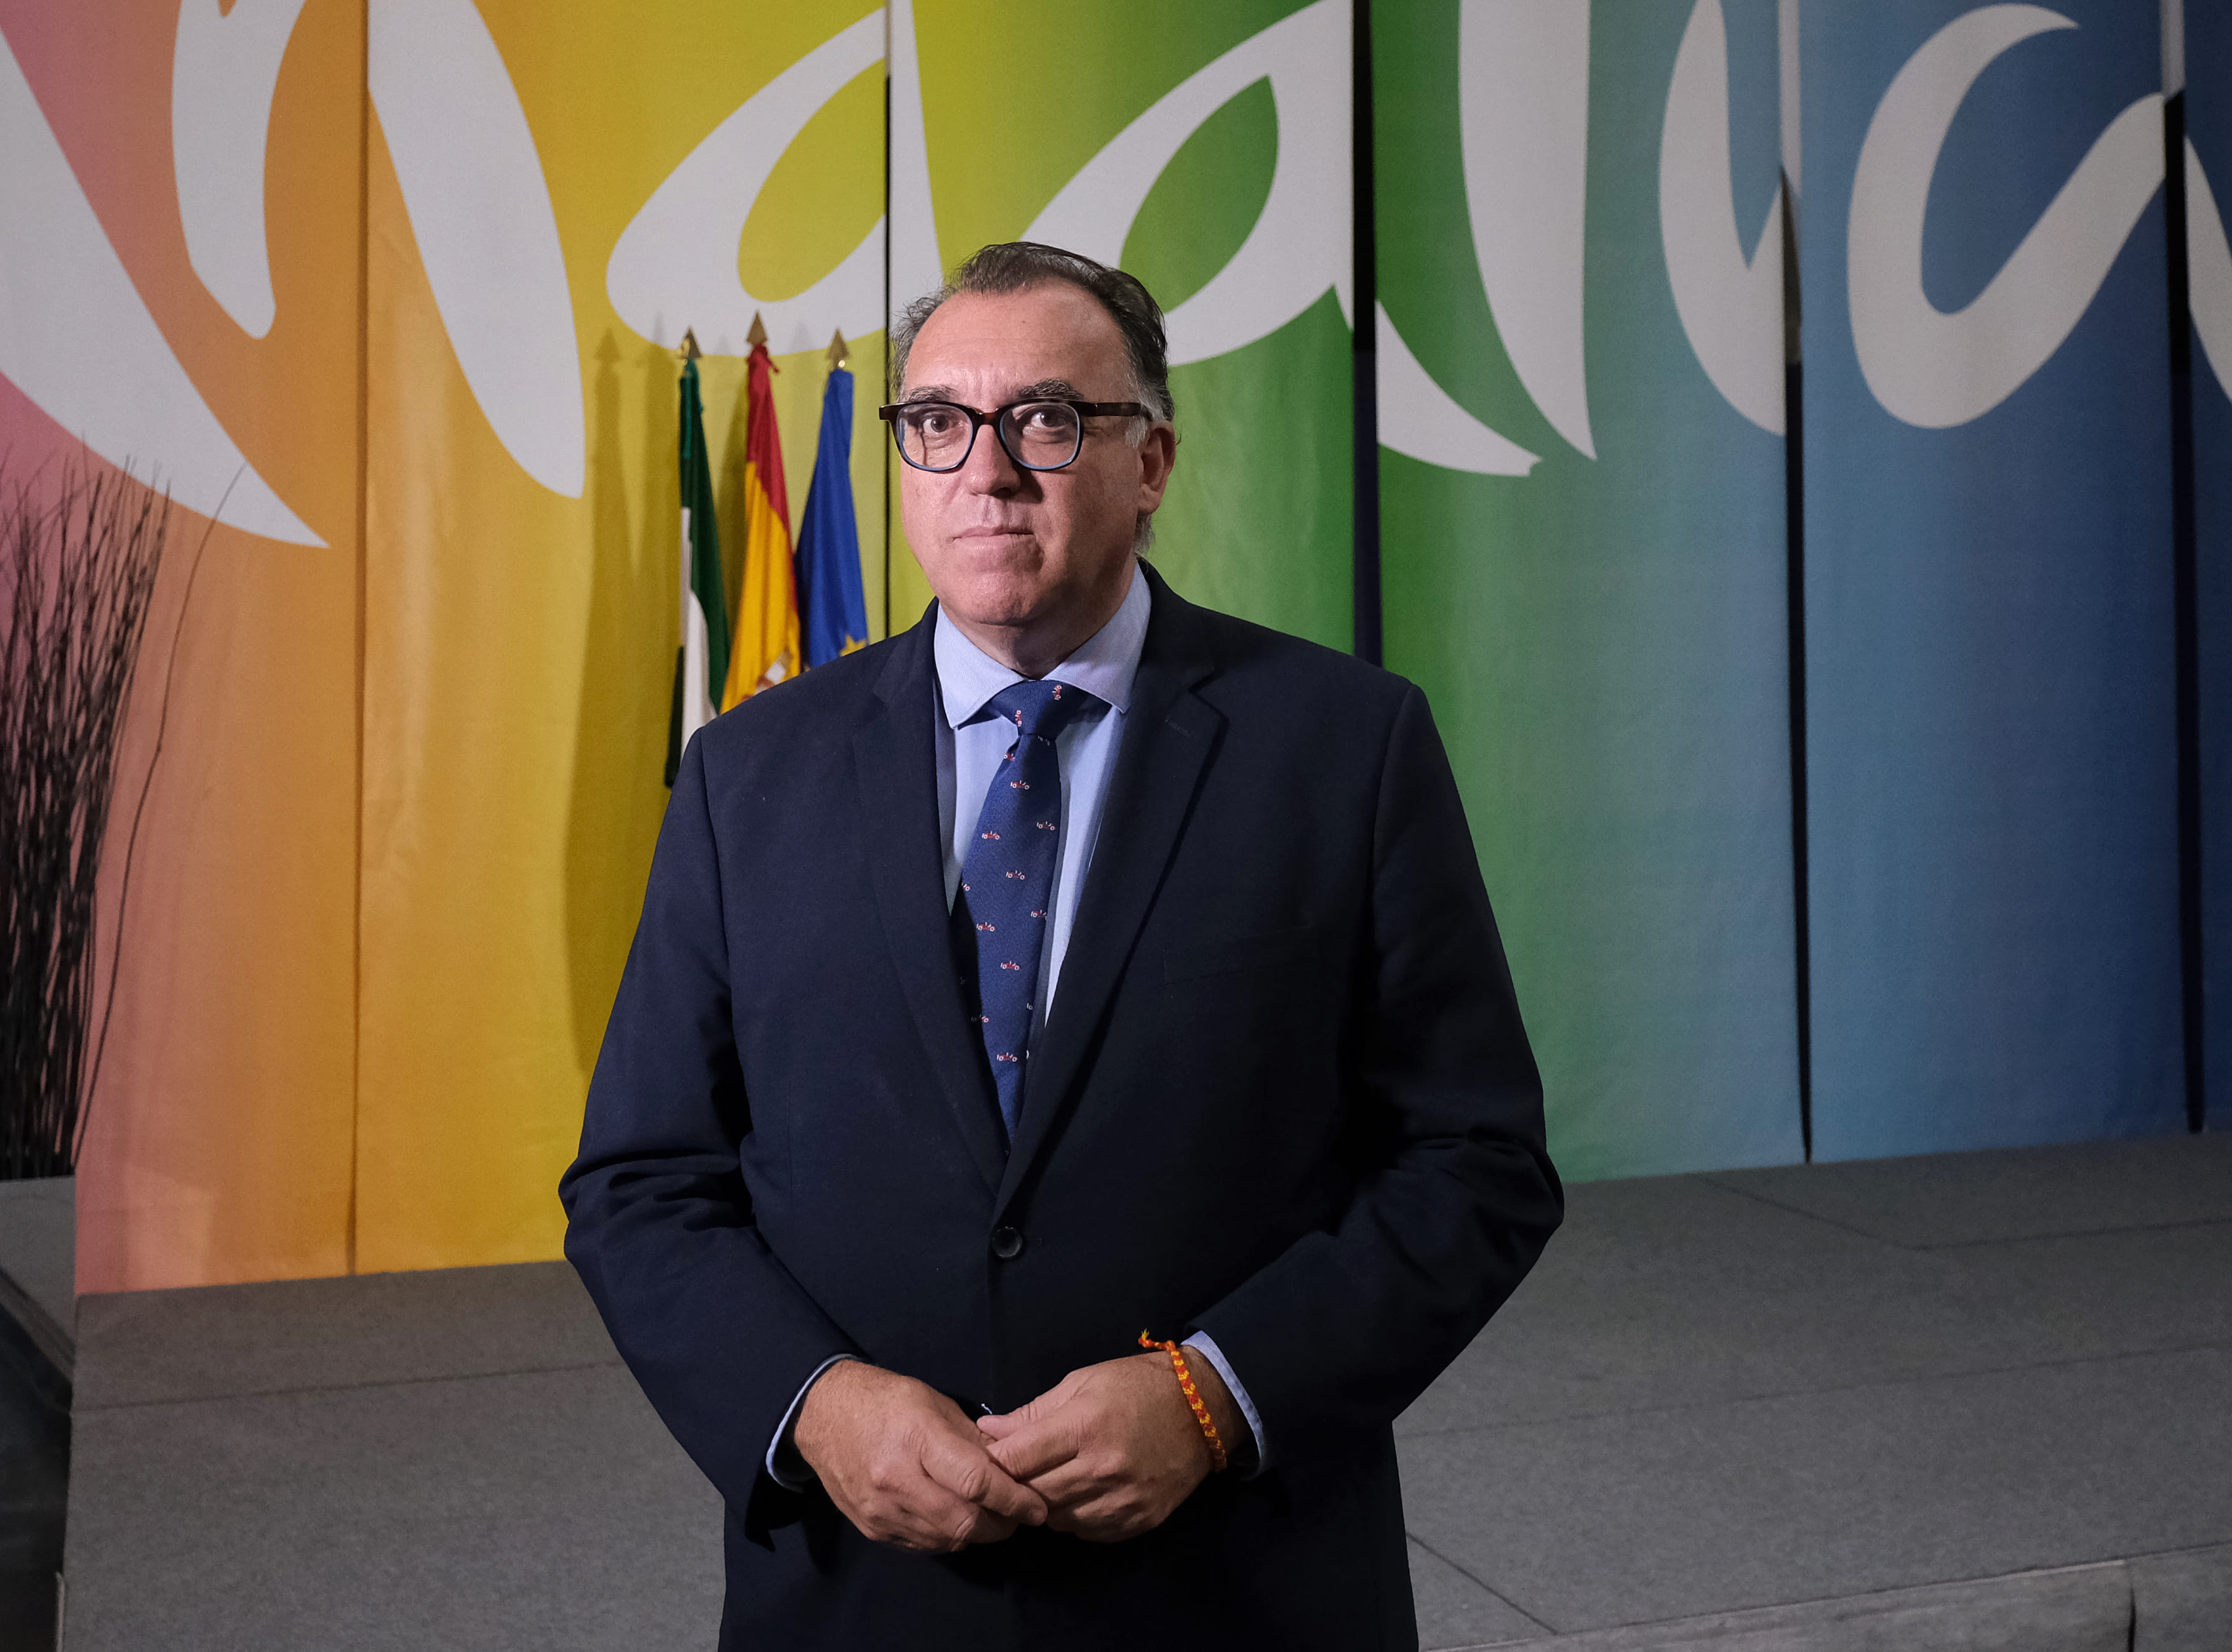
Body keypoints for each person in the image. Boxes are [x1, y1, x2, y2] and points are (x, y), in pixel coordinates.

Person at [562, 241, 1561, 1649]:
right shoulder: (747, 774)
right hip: (863, 1594)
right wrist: (813, 1405)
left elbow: (1475, 1160)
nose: (986, 471)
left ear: (1151, 461)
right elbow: (640, 1180)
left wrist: (1217, 1396)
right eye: (936, 422)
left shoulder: (1346, 747)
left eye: (1044, 419)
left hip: (1235, 1592)